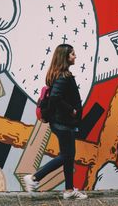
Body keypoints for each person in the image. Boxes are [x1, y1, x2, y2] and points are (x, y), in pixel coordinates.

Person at [23, 44, 88, 200]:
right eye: (72, 54)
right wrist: (71, 110)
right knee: (66, 156)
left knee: (68, 156)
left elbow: (56, 97)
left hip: (62, 123)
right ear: (65, 57)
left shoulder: (59, 75)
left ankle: (69, 190)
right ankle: (34, 178)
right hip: (63, 123)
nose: (75, 56)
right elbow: (55, 98)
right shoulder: (64, 77)